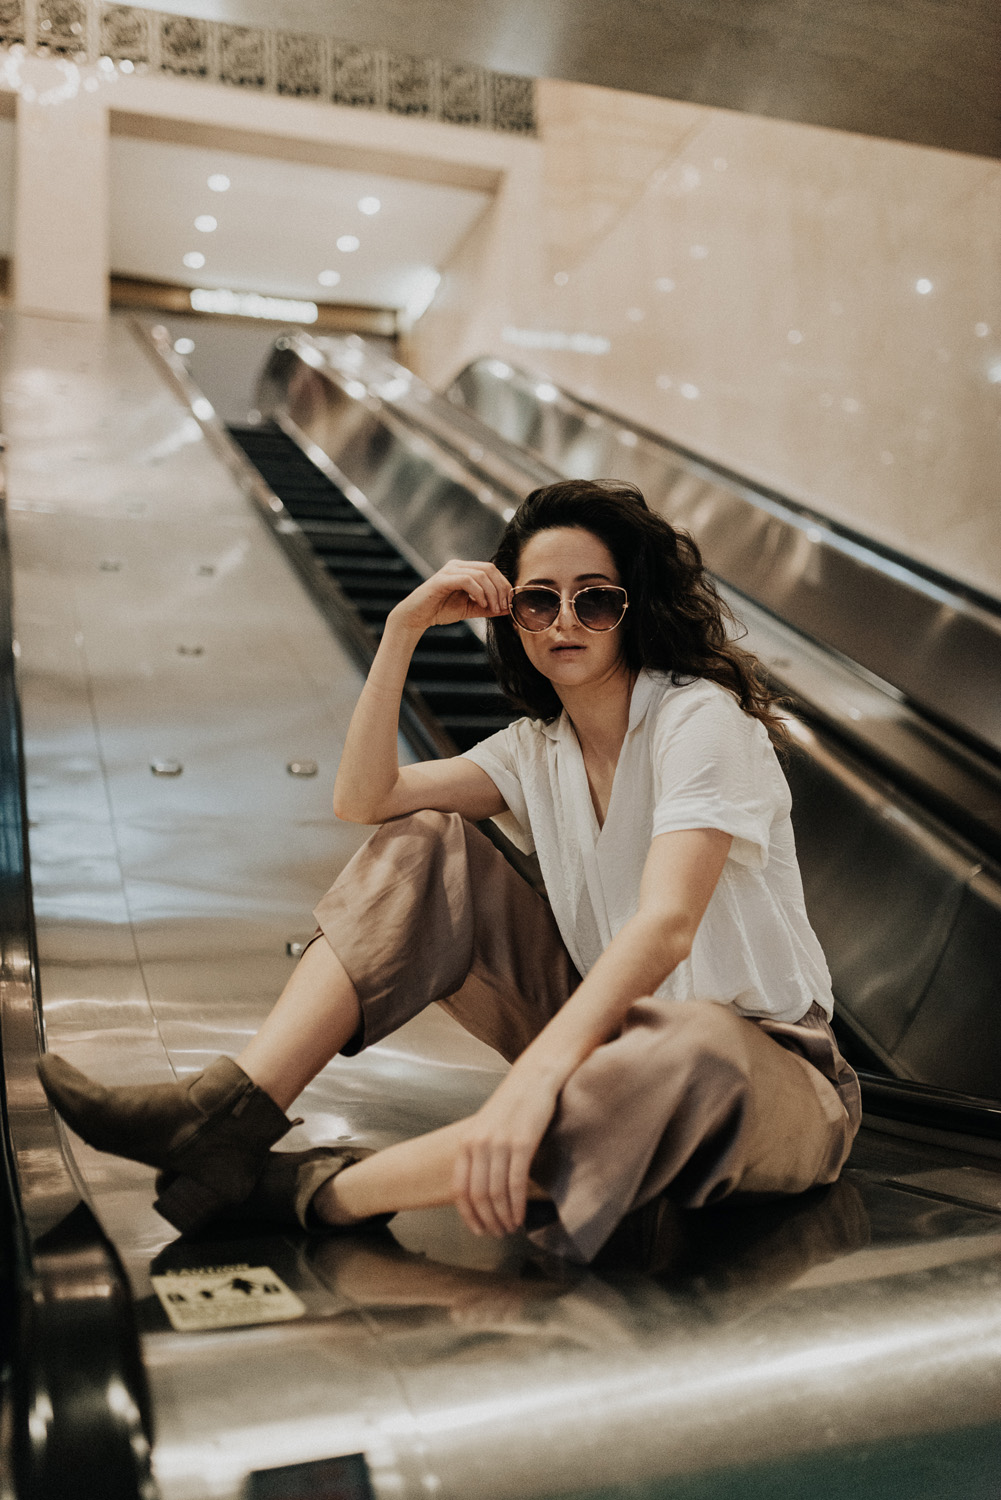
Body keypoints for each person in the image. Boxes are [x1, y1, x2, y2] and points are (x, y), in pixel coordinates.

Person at [38, 479, 860, 1264]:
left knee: (690, 1050)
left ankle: (320, 1190)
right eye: (539, 600)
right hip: (606, 1045)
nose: (563, 622)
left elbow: (666, 924)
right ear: (513, 616)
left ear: (632, 611)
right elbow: (367, 798)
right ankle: (228, 1115)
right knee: (430, 839)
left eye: (595, 599)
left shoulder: (697, 719)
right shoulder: (537, 749)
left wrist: (535, 1078)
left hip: (766, 1071)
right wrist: (403, 629)